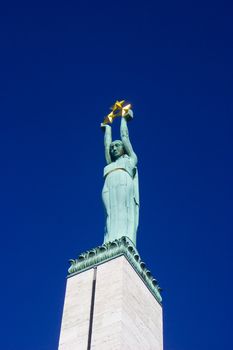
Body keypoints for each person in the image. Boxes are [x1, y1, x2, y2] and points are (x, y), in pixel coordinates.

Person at [101, 111, 139, 246]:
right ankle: (109, 241)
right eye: (112, 147)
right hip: (108, 184)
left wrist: (123, 119)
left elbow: (124, 136)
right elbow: (106, 145)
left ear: (124, 148)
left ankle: (124, 238)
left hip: (123, 182)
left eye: (117, 146)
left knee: (123, 209)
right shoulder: (110, 164)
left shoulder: (130, 159)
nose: (113, 148)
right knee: (110, 214)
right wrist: (107, 127)